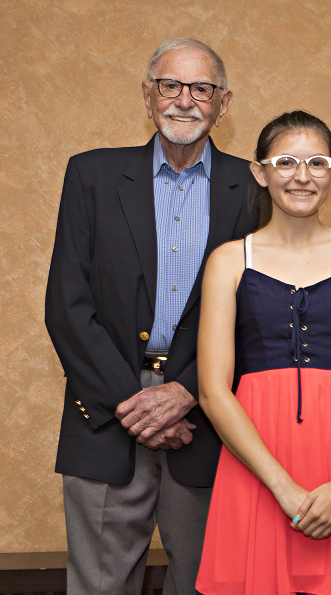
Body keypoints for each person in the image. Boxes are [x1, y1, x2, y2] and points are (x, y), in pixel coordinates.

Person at [44, 37, 256, 594]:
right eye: (171, 85)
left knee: (213, 585)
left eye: (201, 88)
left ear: (223, 102)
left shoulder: (253, 189)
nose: (185, 100)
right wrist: (134, 404)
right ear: (148, 94)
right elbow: (67, 304)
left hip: (208, 416)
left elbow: (257, 315)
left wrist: (188, 391)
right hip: (106, 411)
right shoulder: (91, 176)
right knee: (100, 586)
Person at [194, 110, 331, 594]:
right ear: (260, 172)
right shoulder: (228, 260)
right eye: (286, 161)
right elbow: (212, 391)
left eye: (318, 163)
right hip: (255, 463)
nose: (302, 176)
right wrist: (282, 488)